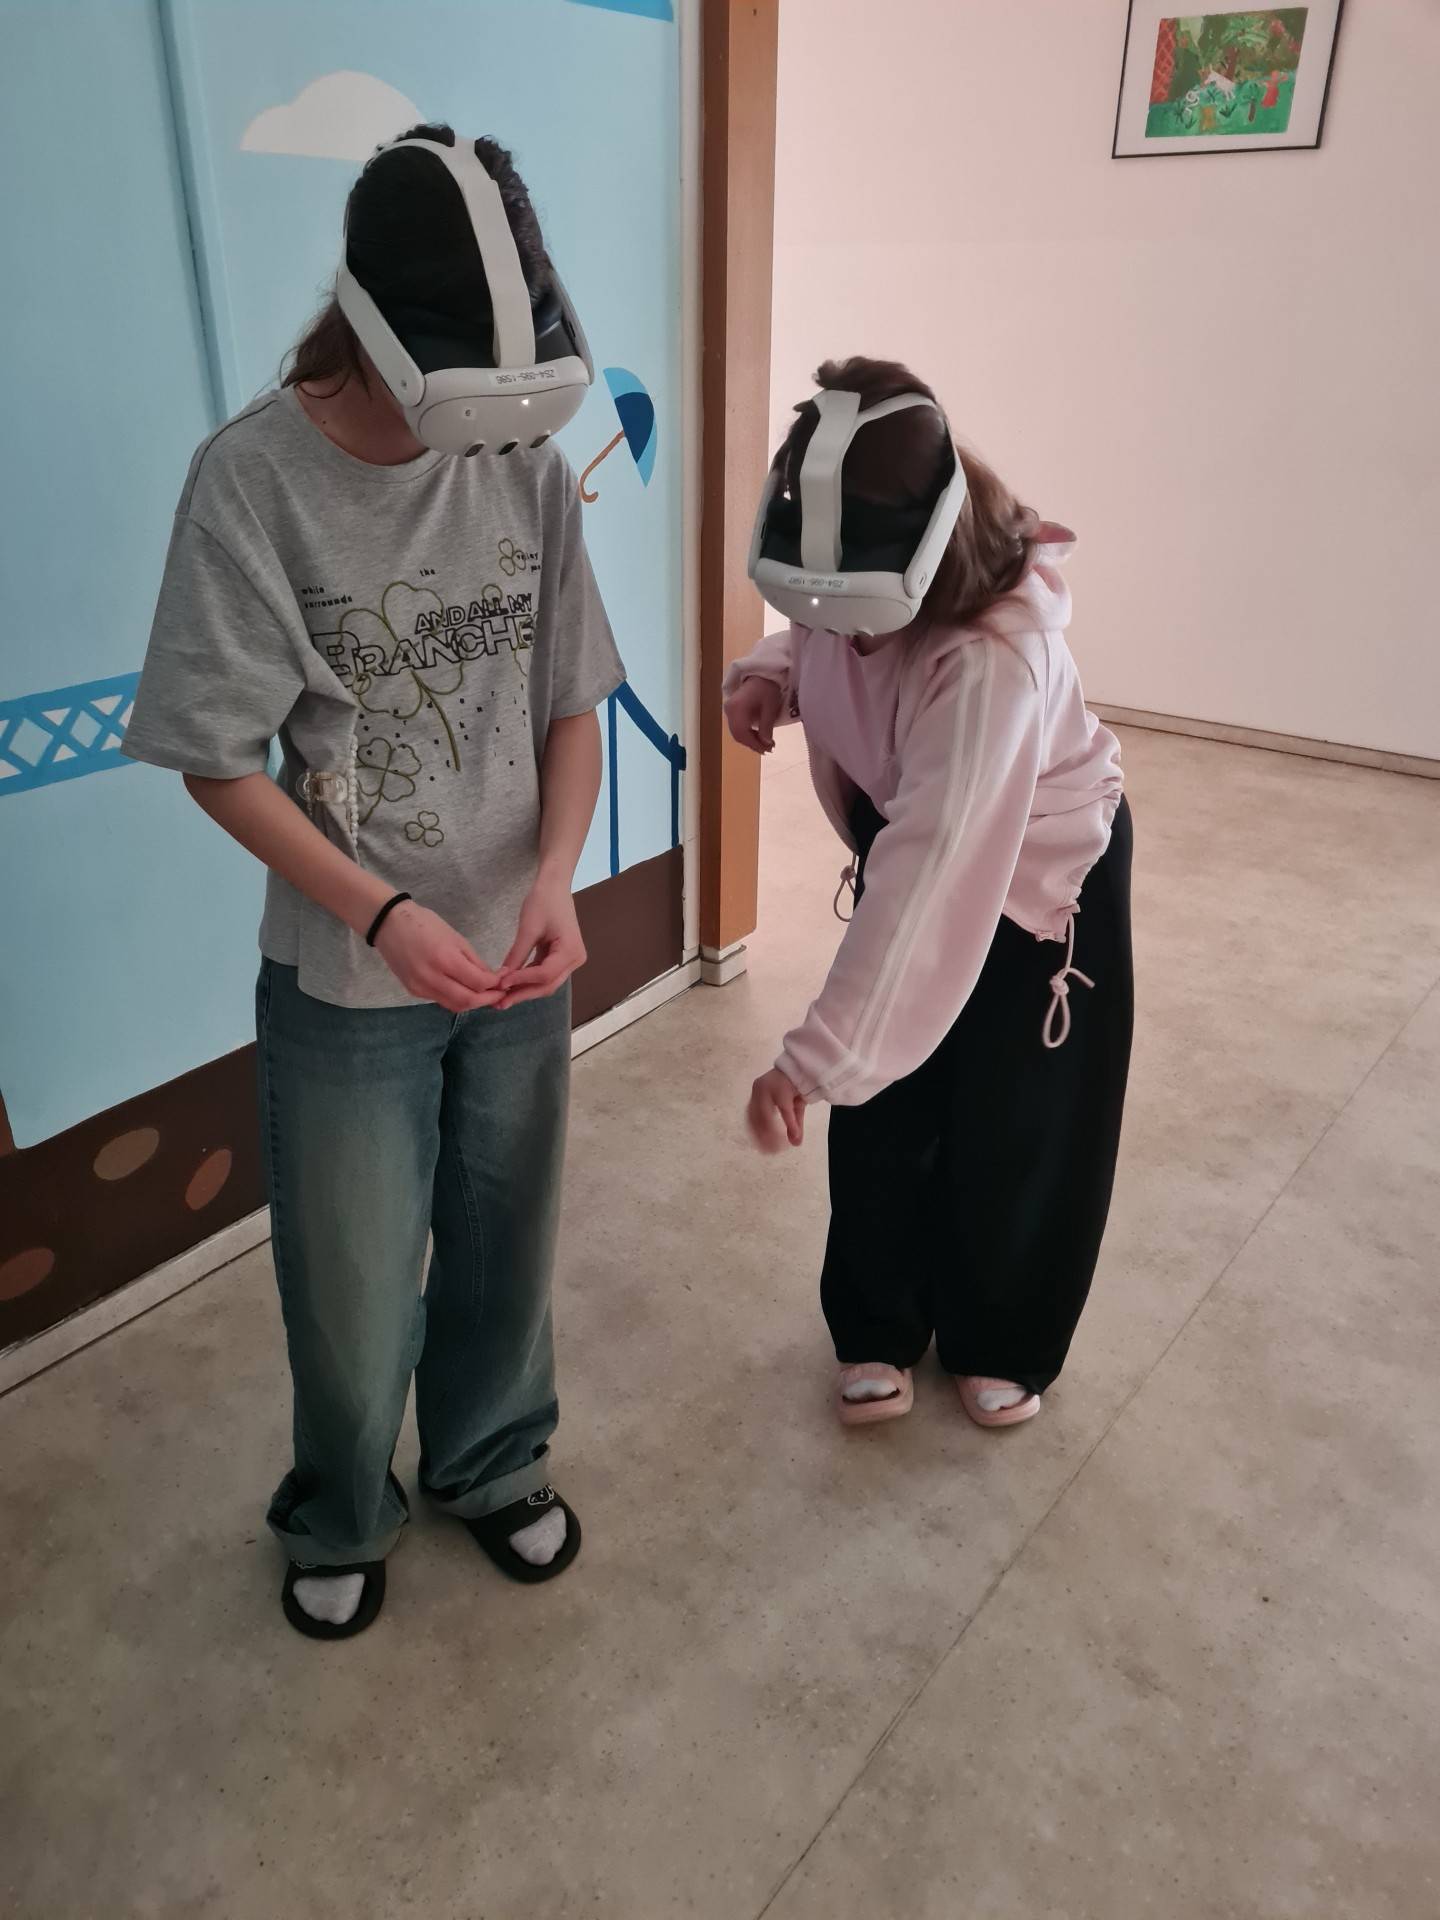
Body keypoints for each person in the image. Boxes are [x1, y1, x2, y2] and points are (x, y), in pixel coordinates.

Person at [122, 127, 624, 1638]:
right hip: (349, 974)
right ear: (374, 327)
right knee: (348, 1283)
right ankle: (341, 1509)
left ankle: (492, 1459)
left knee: (506, 1239)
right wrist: (383, 915)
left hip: (519, 954)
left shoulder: (525, 462)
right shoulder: (250, 483)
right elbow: (218, 761)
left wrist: (557, 874)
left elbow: (571, 702)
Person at [724, 357, 1132, 1431]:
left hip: (1037, 874)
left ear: (925, 554)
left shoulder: (993, 655)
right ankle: (878, 1322)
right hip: (922, 827)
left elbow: (931, 876)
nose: (845, 637)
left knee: (1015, 1111)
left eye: (861, 618)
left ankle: (1000, 1335)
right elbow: (817, 626)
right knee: (886, 1106)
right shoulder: (844, 572)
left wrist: (808, 1060)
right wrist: (772, 672)